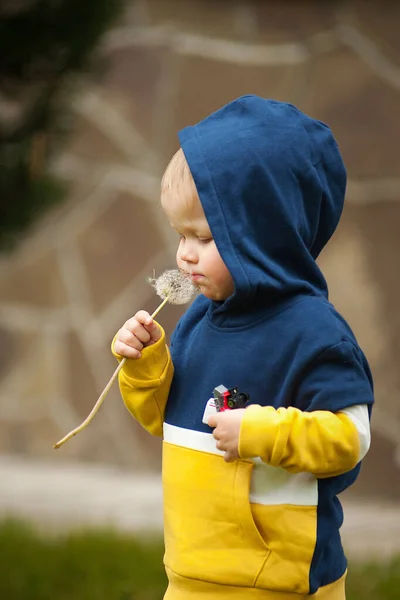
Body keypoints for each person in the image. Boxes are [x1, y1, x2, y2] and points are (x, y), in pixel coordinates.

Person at [112, 96, 374, 599]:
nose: (185, 254)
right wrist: (145, 367)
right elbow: (162, 419)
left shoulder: (314, 333)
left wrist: (261, 432)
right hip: (190, 572)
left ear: (266, 234)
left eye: (205, 237)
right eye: (180, 235)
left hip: (280, 581)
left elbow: (350, 439)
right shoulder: (199, 320)